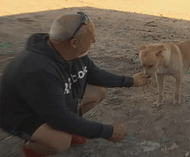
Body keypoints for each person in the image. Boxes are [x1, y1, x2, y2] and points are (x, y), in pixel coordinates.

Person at [0, 11, 150, 157]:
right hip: (22, 114)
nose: (94, 41)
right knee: (60, 141)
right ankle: (32, 149)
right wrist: (107, 132)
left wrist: (131, 81)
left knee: (98, 92)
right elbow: (60, 118)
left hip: (49, 103)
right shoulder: (39, 70)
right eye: (92, 38)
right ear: (74, 42)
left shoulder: (71, 52)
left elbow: (96, 75)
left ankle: (70, 129)